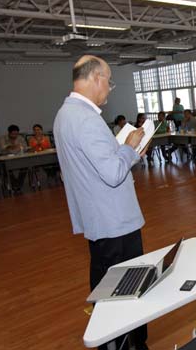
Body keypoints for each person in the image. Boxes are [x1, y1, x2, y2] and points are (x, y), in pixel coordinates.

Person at [53, 55, 148, 350]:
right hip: (115, 221)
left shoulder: (64, 116)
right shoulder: (86, 119)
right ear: (95, 78)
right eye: (109, 80)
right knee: (128, 288)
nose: (110, 87)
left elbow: (95, 165)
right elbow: (113, 172)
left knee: (105, 285)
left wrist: (122, 151)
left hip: (98, 219)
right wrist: (130, 149)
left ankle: (113, 338)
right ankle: (128, 342)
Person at [0, 124, 28, 193]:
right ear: (9, 133)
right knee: (5, 169)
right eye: (13, 134)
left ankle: (18, 184)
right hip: (7, 159)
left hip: (19, 157)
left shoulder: (20, 138)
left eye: (16, 134)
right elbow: (3, 148)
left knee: (25, 166)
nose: (15, 136)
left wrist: (14, 148)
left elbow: (25, 147)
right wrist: (13, 146)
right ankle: (16, 185)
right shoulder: (2, 138)